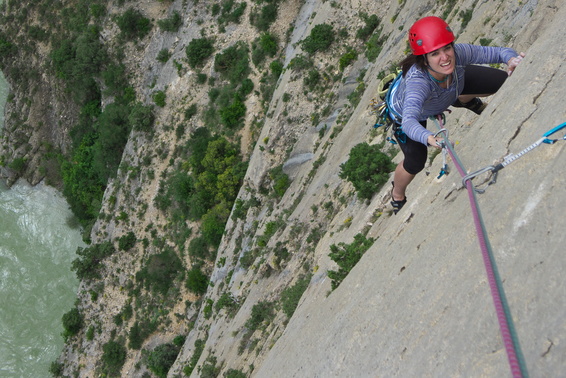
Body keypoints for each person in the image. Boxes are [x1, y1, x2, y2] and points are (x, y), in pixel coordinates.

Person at [388, 16, 525, 214]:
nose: (445, 57)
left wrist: (512, 59)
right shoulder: (418, 83)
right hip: (411, 113)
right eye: (435, 53)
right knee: (415, 161)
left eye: (447, 48)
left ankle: (464, 100)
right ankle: (397, 194)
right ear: (424, 59)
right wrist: (428, 137)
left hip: (449, 89)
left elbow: (495, 52)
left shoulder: (457, 54)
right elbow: (409, 121)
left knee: (501, 79)